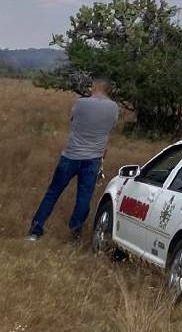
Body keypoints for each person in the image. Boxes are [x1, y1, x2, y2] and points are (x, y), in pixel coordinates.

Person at [28, 76, 120, 242]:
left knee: (53, 193)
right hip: (94, 158)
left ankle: (36, 230)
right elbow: (109, 130)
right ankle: (74, 233)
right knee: (84, 198)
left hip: (71, 155)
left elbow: (73, 119)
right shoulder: (114, 108)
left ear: (95, 86)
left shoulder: (81, 103)